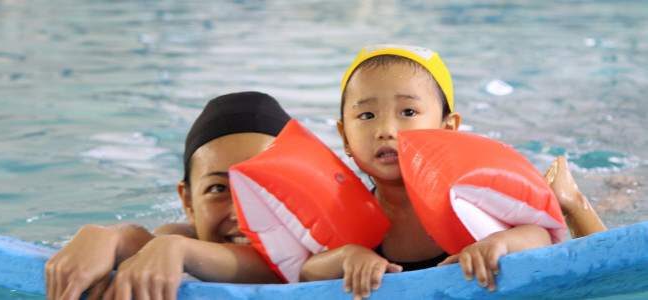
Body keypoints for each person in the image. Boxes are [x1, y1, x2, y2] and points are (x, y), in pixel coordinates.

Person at [299, 44, 555, 299]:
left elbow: (542, 237)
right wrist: (346, 257)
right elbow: (306, 274)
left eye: (408, 112)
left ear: (448, 128)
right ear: (345, 138)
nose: (386, 129)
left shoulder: (471, 200)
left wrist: (498, 243)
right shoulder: (352, 219)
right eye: (367, 115)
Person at [45, 91, 291, 300]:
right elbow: (158, 243)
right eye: (218, 188)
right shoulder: (184, 237)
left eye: (263, 187)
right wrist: (117, 236)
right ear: (188, 203)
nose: (240, 213)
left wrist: (180, 250)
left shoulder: (326, 250)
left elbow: (292, 266)